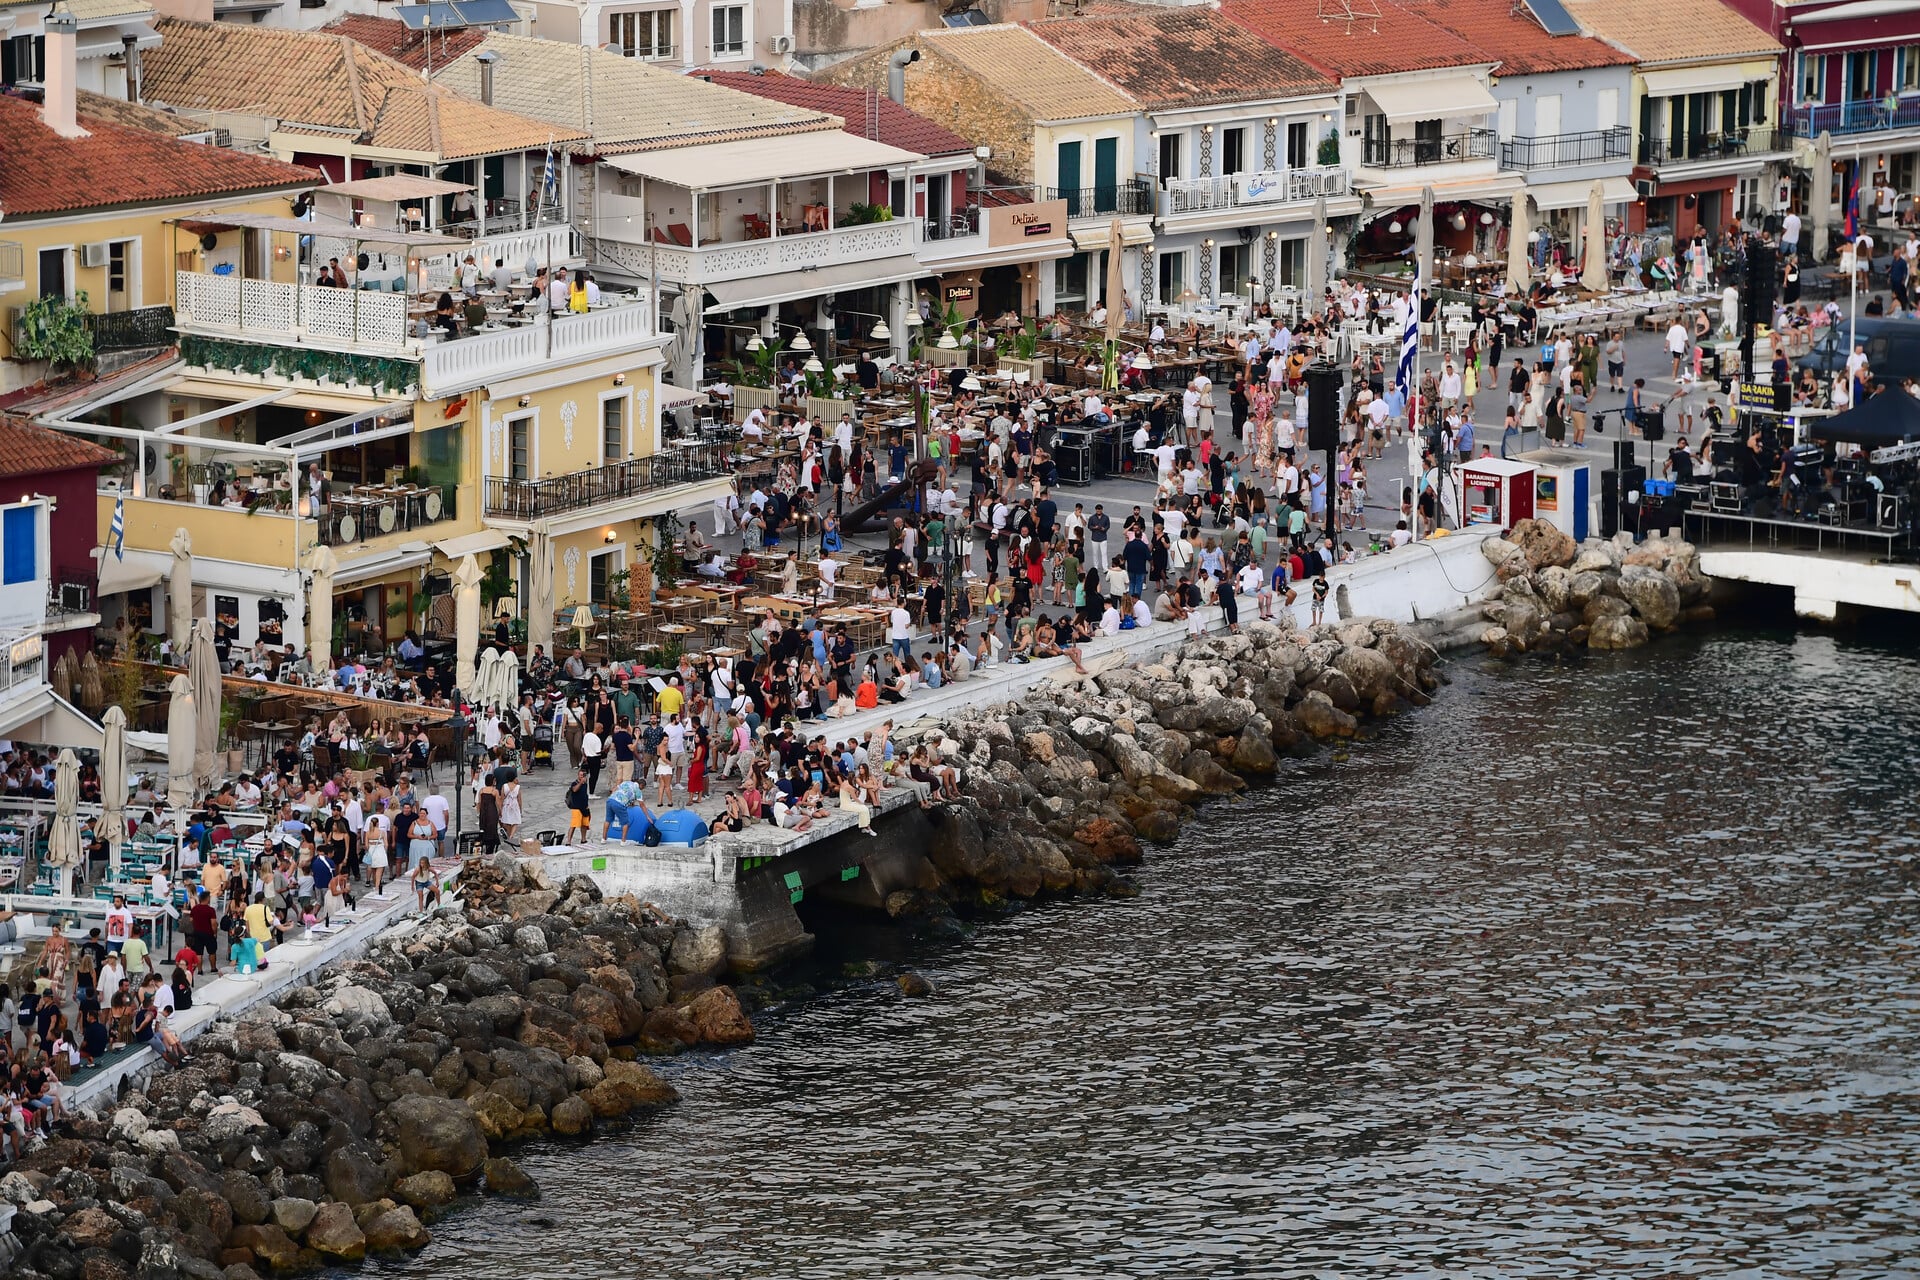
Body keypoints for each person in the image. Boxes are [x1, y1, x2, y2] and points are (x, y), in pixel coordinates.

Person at [565, 768, 592, 845]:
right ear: (578, 775)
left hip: (584, 807)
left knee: (584, 824)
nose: (582, 777)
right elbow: (574, 790)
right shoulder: (575, 783)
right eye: (580, 775)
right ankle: (568, 841)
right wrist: (580, 783)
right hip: (576, 808)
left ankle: (583, 839)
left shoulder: (585, 783)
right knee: (573, 825)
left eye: (583, 775)